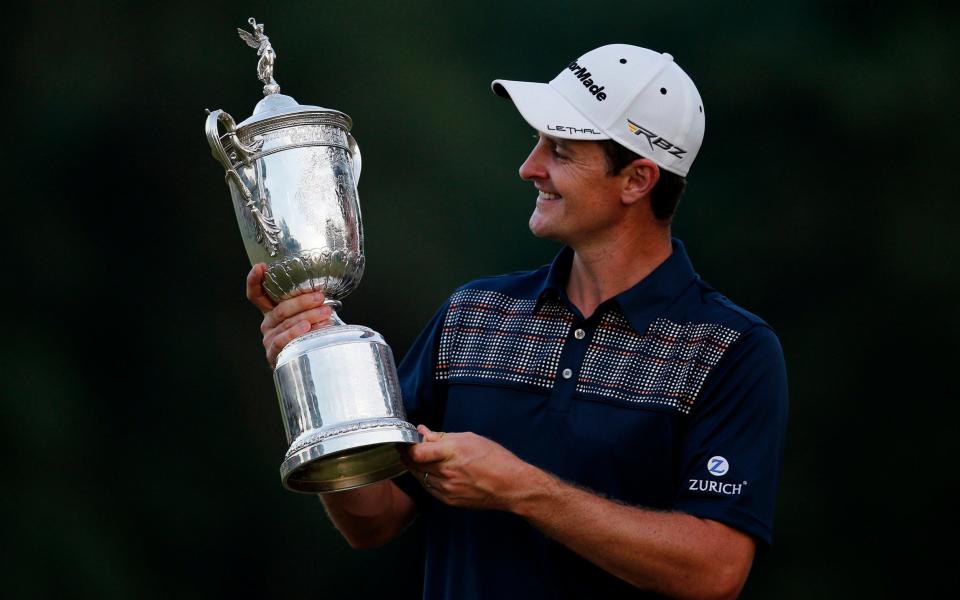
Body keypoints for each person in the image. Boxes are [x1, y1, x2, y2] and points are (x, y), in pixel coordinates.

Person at [246, 44, 788, 600]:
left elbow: (715, 570)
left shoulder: (732, 350)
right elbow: (374, 519)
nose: (530, 167)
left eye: (561, 150)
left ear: (637, 180)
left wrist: (521, 488)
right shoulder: (474, 315)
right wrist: (313, 371)